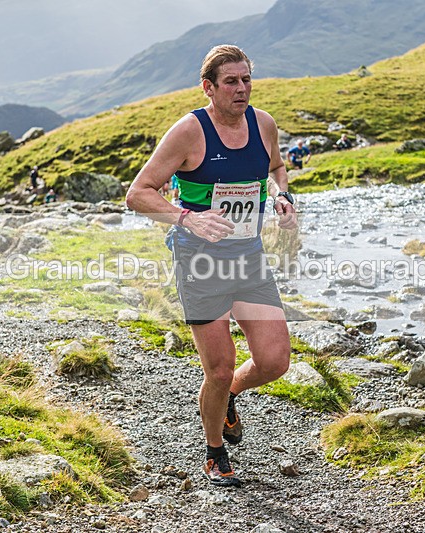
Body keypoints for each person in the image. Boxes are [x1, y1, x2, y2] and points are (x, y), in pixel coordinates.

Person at [126, 45, 297, 488]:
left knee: (275, 360)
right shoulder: (189, 132)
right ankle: (214, 451)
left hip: (248, 257)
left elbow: (277, 167)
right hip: (199, 261)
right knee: (218, 368)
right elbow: (138, 193)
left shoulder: (263, 124)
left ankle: (228, 398)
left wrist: (282, 195)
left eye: (246, 79)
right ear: (209, 87)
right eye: (231, 81)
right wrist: (188, 218)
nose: (242, 89)